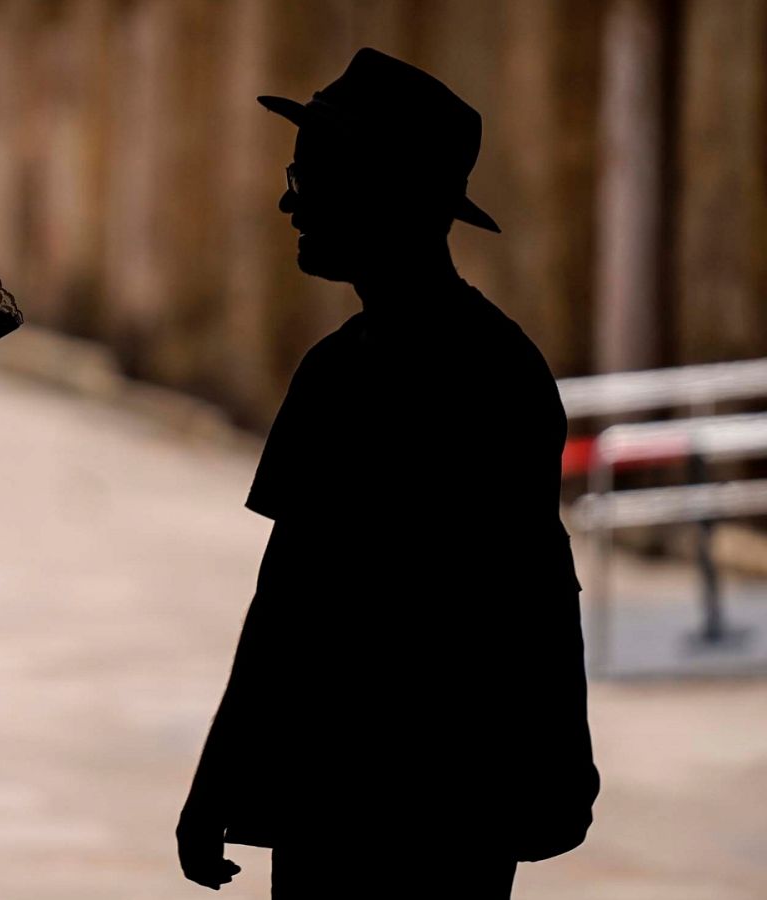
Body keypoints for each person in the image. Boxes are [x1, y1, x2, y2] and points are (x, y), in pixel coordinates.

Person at [175, 49, 599, 898]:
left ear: (382, 193)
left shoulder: (454, 377)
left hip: (423, 804)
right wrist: (217, 780)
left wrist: (218, 780)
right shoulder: (430, 368)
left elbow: (513, 597)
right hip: (383, 800)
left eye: (310, 178)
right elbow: (288, 597)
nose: (290, 202)